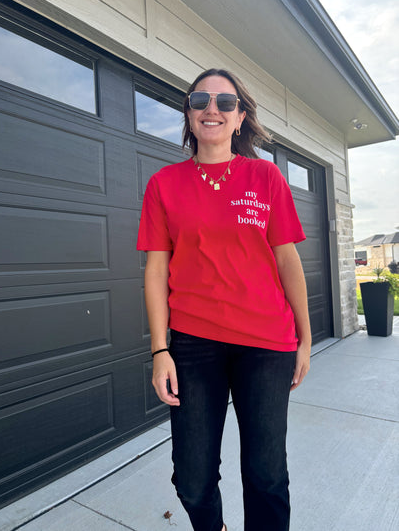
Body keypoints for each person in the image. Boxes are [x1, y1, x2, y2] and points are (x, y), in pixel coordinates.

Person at [137, 68, 311, 531]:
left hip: (267, 343)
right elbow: (156, 270)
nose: (212, 108)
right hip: (193, 345)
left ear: (240, 119)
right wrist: (160, 351)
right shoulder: (164, 184)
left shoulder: (265, 176)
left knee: (266, 472)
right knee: (192, 479)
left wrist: (305, 340)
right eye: (200, 101)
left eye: (225, 102)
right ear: (190, 116)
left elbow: (287, 261)